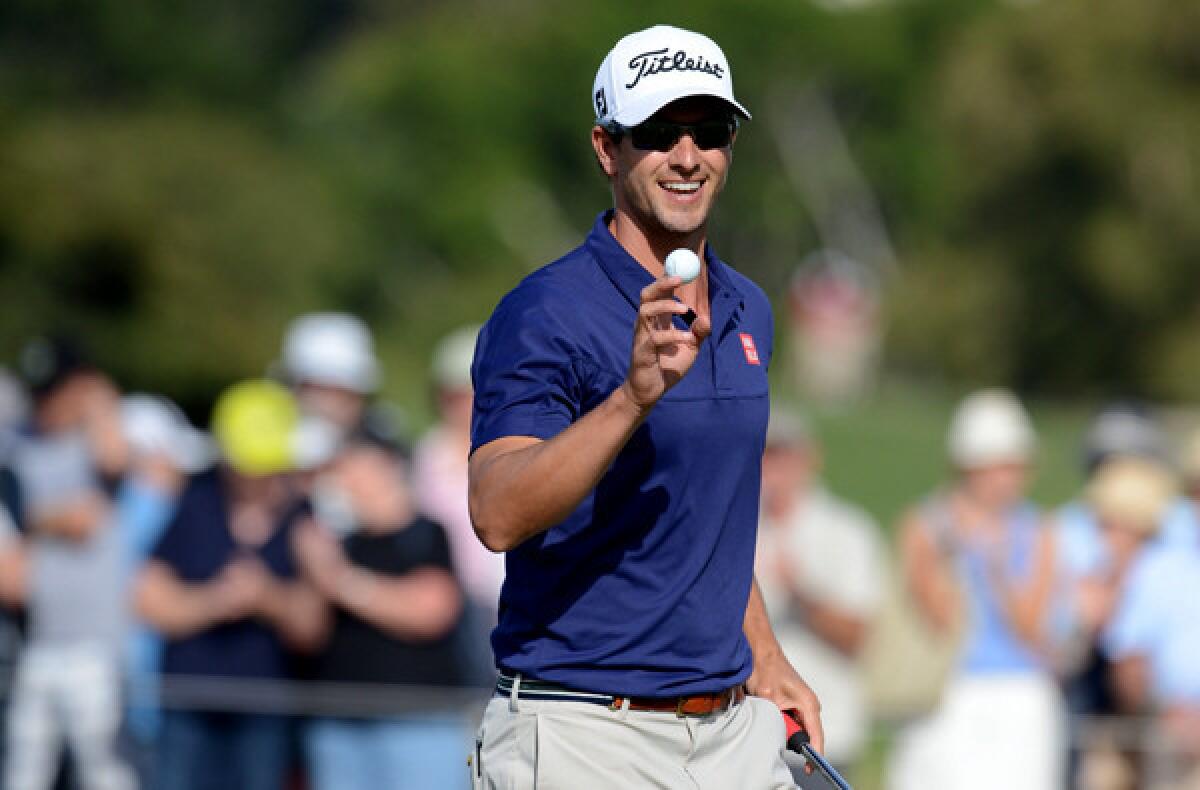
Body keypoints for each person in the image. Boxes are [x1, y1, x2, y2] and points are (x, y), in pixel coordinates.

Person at [468, 25, 821, 789]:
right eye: (659, 133)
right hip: (583, 727)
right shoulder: (544, 312)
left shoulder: (749, 306)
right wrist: (631, 399)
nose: (688, 156)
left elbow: (707, 514)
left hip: (729, 731)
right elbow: (495, 512)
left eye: (710, 131)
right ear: (607, 149)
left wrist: (768, 654)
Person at [134, 379, 324, 790]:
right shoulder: (195, 502)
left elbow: (313, 625)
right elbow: (147, 599)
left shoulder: (303, 515)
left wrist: (268, 599)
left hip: (267, 710)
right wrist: (214, 601)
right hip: (188, 702)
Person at [887, 389, 1064, 790]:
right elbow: (936, 618)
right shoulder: (925, 525)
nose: (1009, 478)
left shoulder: (1040, 531)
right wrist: (949, 552)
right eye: (997, 466)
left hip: (1021, 694)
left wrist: (997, 565)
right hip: (947, 693)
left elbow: (1033, 629)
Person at [294, 439, 470, 790]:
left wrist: (340, 581)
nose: (342, 483)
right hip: (339, 722)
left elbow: (432, 611)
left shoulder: (426, 534)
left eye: (352, 471)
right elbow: (306, 630)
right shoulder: (339, 541)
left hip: (416, 722)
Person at [3, 336, 136, 790]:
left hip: (94, 645)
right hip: (39, 639)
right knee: (25, 773)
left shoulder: (96, 446)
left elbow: (114, 460)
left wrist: (97, 396)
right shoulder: (19, 446)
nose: (47, 403)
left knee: (104, 773)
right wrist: (48, 518)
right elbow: (29, 517)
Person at [755, 408, 883, 779]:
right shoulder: (738, 526)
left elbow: (857, 636)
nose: (775, 467)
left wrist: (800, 593)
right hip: (747, 739)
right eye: (767, 454)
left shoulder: (847, 531)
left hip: (825, 738)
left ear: (809, 459)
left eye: (784, 454)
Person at [412, 324, 500, 684]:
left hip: (509, 599)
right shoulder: (426, 456)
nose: (466, 404)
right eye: (456, 395)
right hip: (458, 606)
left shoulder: (515, 447)